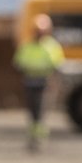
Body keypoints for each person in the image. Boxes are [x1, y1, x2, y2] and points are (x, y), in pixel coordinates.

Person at [13, 13, 65, 152]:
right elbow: (19, 62)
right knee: (32, 111)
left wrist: (54, 81)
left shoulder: (52, 46)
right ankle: (33, 137)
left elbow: (57, 64)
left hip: (44, 82)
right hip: (30, 82)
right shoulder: (27, 45)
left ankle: (39, 139)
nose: (39, 34)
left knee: (41, 111)